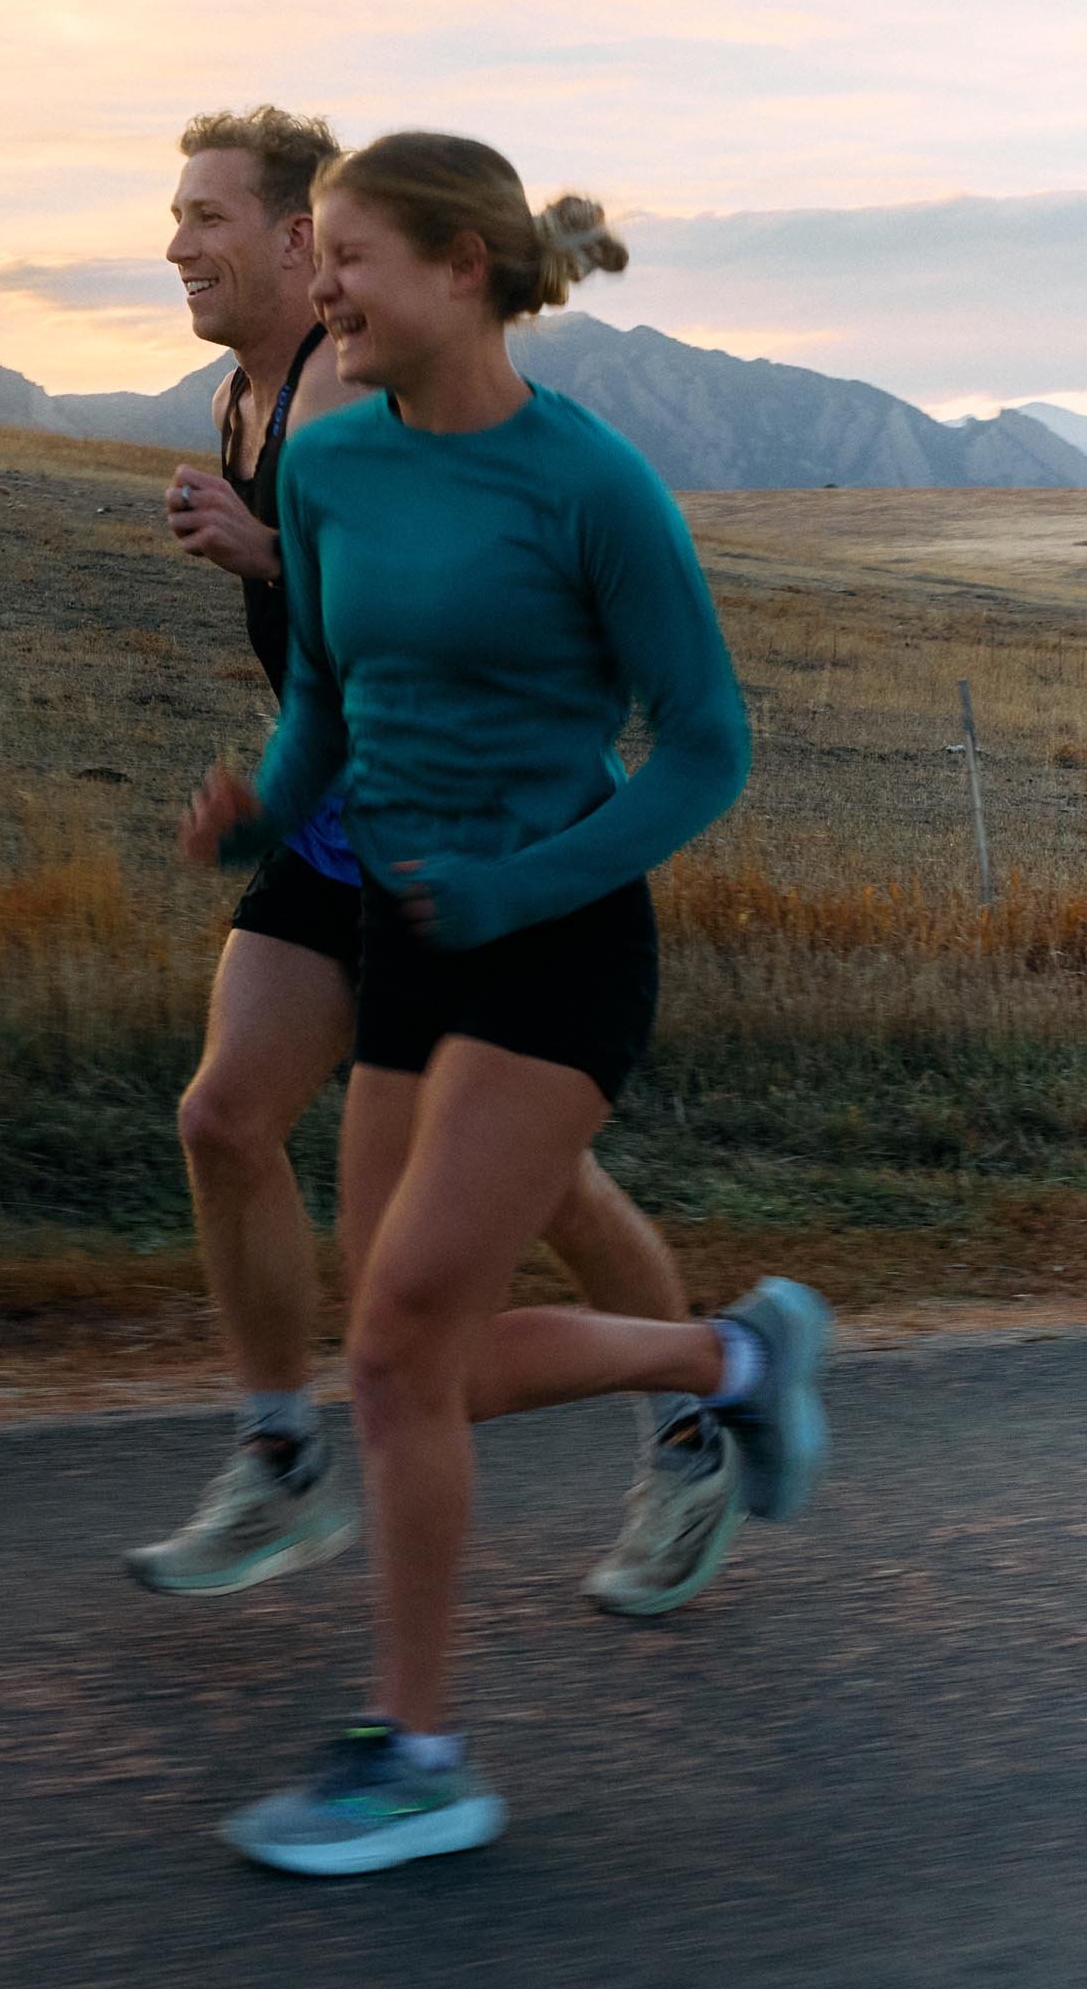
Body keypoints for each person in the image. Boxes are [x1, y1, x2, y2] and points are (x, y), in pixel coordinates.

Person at [182, 133, 829, 1876]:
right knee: (414, 1374)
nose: (325, 294)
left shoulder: (590, 484)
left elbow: (706, 747)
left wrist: (520, 885)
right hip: (408, 935)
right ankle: (732, 1356)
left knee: (393, 1347)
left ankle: (422, 1753)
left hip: (553, 939)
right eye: (315, 261)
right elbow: (324, 692)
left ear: (466, 268)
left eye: (352, 261)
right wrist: (259, 793)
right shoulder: (330, 477)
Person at [128, 108, 743, 1620]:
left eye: (209, 217)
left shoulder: (362, 389)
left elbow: (679, 722)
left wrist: (269, 555)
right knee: (223, 1115)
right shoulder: (248, 403)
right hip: (334, 817)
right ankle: (281, 1459)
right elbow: (337, 669)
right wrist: (260, 806)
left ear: (297, 244)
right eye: (176, 214)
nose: (178, 245)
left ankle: (693, 1423)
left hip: (468, 852)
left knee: (536, 1199)